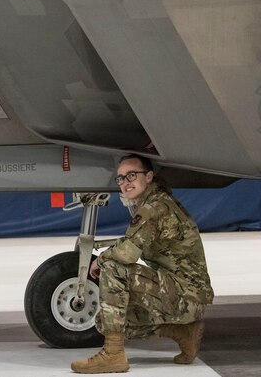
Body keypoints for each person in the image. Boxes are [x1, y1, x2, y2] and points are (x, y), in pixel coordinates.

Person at [71, 154, 214, 373]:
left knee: (113, 268)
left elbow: (127, 254)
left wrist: (100, 259)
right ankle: (182, 332)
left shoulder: (153, 208)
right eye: (120, 178)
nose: (125, 182)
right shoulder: (157, 201)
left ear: (148, 176)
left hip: (187, 295)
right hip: (185, 294)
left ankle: (113, 354)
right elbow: (130, 243)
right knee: (105, 321)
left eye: (131, 175)